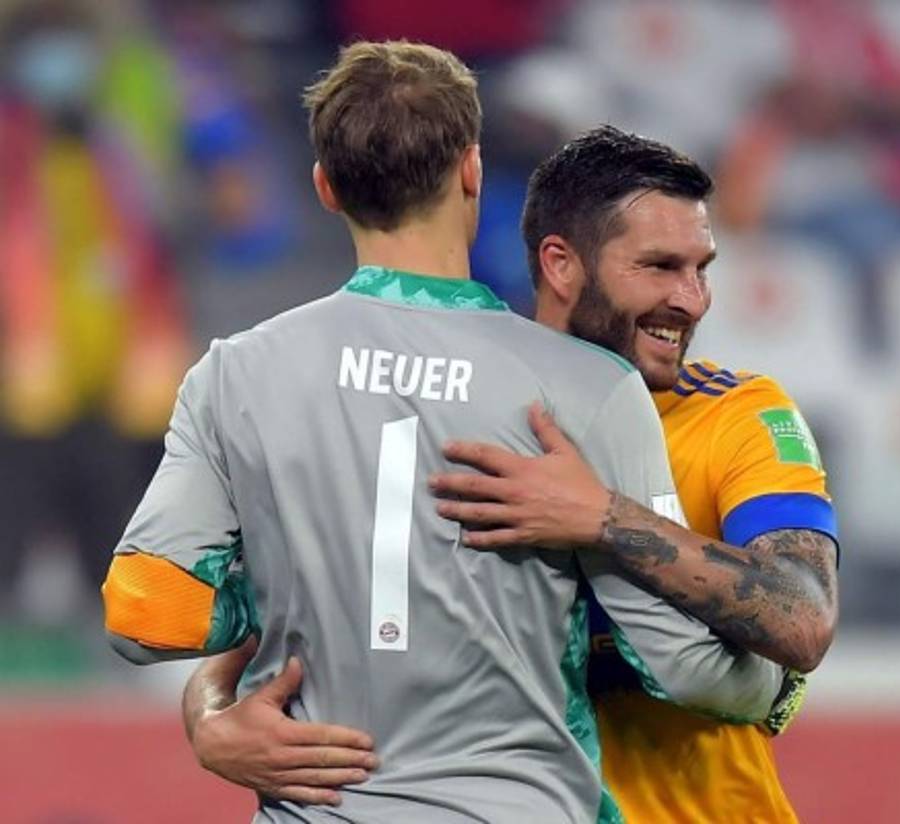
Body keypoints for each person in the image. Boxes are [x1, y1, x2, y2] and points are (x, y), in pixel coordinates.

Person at [100, 43, 789, 823]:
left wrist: (254, 641)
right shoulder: (587, 388)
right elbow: (687, 669)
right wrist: (773, 682)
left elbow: (145, 613)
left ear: (326, 187)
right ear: (472, 171)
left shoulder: (236, 374)